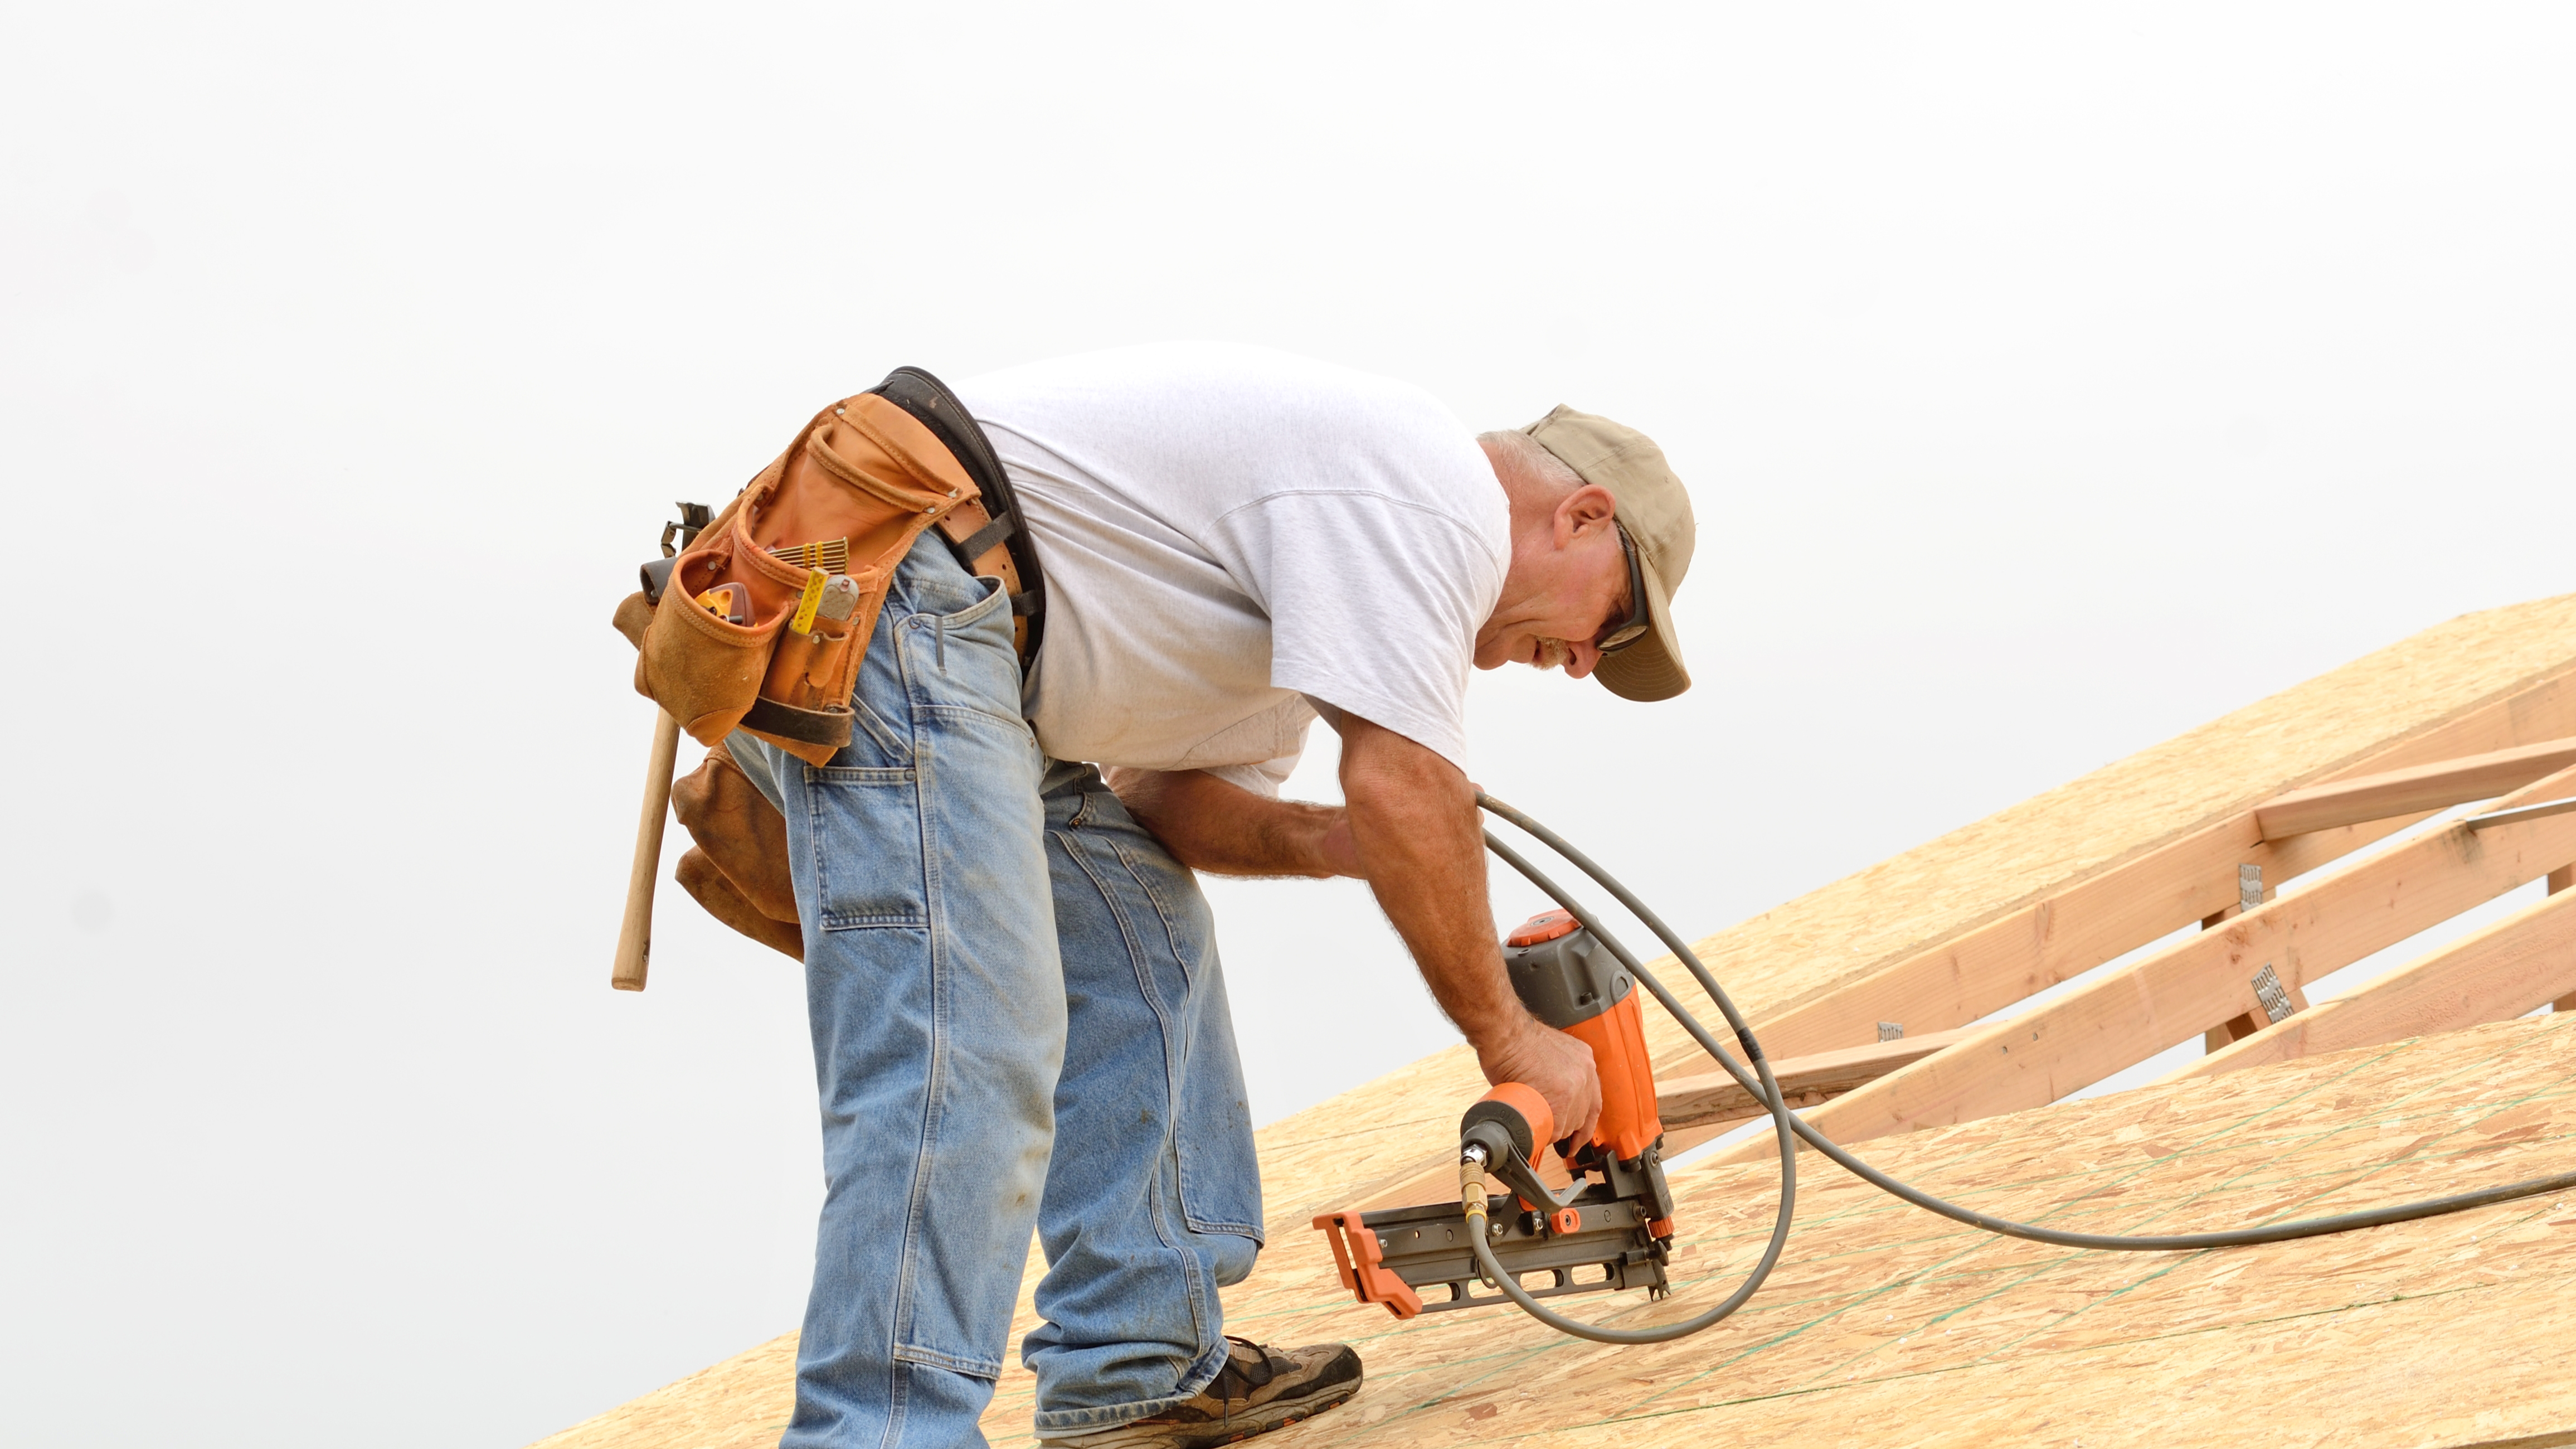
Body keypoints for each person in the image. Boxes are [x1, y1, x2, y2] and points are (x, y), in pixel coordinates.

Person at [720, 342, 1698, 1449]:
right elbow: (1402, 774)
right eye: (1610, 626)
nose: (1579, 664)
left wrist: (1343, 841)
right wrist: (1514, 1043)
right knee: (970, 1030)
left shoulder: (1326, 595)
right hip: (896, 589)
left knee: (1141, 928)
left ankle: (1135, 1358)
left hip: (960, 640)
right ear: (1579, 514)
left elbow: (1166, 809)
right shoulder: (1434, 495)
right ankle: (882, 1436)